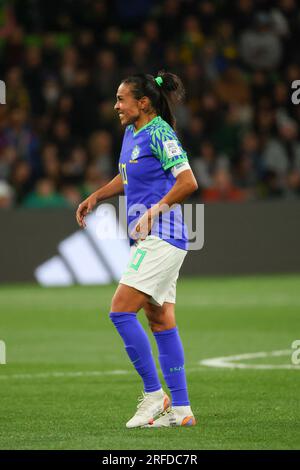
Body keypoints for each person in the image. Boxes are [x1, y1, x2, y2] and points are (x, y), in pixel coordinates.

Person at [76, 72, 198, 428]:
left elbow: (188, 181)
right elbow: (127, 177)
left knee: (120, 311)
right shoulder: (132, 133)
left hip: (163, 235)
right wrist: (97, 195)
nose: (116, 106)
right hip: (153, 238)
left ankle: (152, 396)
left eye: (121, 99)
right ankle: (181, 410)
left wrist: (153, 211)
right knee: (160, 320)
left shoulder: (160, 132)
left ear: (142, 103)